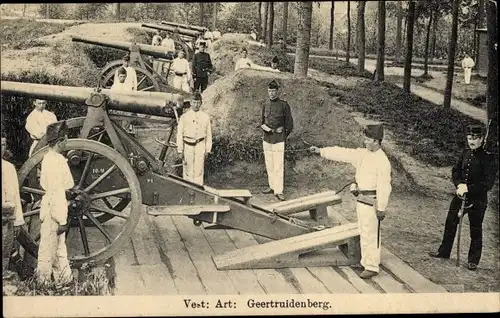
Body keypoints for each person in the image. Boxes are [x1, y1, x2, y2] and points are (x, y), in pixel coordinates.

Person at [309, 123, 392, 279]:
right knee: (362, 230)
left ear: (376, 140)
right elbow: (343, 153)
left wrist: (381, 207)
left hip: (372, 202)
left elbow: (384, 187)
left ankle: (372, 266)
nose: (365, 141)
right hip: (361, 199)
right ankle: (365, 261)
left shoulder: (383, 161)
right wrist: (321, 151)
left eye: (368, 139)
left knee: (371, 233)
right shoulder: (363, 154)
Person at [429, 124, 497, 271]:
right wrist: (459, 185)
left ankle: (473, 260)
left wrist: (469, 189)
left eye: (475, 138)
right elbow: (456, 171)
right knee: (450, 222)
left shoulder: (488, 159)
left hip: (477, 200)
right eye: (469, 137)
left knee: (475, 228)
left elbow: (488, 183)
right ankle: (444, 251)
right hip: (460, 195)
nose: (471, 141)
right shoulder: (465, 153)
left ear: (481, 139)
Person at [36, 120, 74, 287]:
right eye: (65, 139)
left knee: (52, 246)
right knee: (52, 248)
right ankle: (45, 283)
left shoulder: (46, 158)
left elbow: (44, 185)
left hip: (47, 209)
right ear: (61, 140)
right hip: (56, 211)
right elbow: (59, 192)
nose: (66, 142)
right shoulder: (59, 161)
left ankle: (61, 280)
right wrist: (63, 221)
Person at [260, 80, 294, 201]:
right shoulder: (265, 104)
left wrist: (283, 135)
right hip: (267, 139)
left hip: (279, 140)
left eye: (274, 91)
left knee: (278, 165)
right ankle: (272, 186)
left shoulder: (284, 105)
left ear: (278, 91)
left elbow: (289, 124)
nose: (271, 93)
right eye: (270, 91)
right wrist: (267, 130)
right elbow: (262, 123)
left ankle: (279, 191)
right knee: (269, 164)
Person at [2, 130, 26, 279]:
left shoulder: (9, 168)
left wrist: (18, 221)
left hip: (7, 217)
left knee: (5, 250)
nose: (1, 148)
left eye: (3, 145)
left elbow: (15, 196)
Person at [176, 92, 212, 185]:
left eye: (198, 102)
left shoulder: (205, 117)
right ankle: (188, 192)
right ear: (191, 103)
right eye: (194, 102)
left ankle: (198, 192)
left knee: (198, 171)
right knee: (188, 170)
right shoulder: (184, 117)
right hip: (188, 146)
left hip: (200, 146)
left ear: (201, 103)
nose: (196, 105)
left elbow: (208, 134)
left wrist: (208, 149)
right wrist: (180, 150)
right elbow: (179, 134)